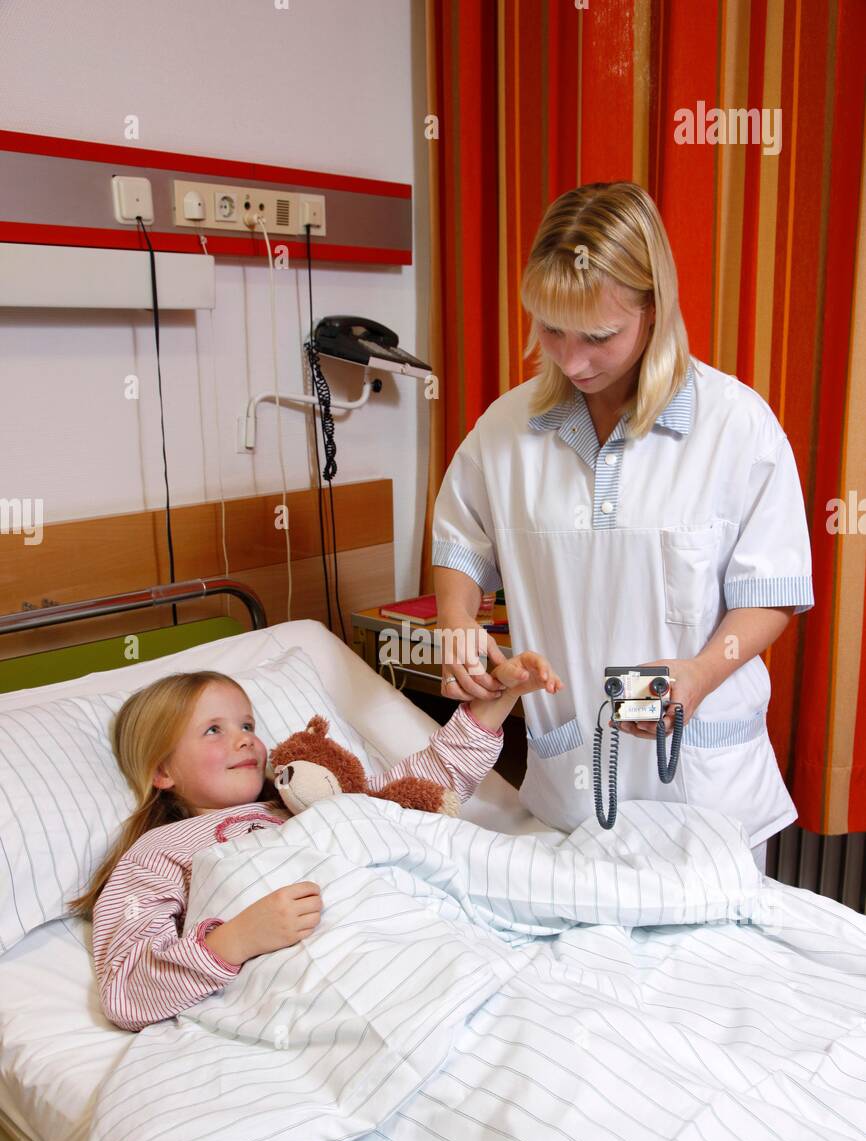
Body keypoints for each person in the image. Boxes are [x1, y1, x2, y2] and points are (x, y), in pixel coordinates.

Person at [432, 182, 814, 874]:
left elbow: (773, 592)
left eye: (599, 337)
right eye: (551, 329)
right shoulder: (507, 429)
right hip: (568, 794)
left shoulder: (736, 427)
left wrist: (700, 673)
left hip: (704, 795)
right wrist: (458, 620)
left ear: (653, 309)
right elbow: (463, 539)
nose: (572, 361)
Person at [69, 653, 563, 1031]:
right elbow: (127, 987)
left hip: (417, 935)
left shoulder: (303, 800)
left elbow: (408, 793)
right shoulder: (161, 852)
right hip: (327, 985)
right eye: (213, 731)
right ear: (162, 770)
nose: (244, 739)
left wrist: (497, 700)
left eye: (247, 726)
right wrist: (236, 938)